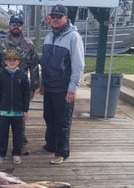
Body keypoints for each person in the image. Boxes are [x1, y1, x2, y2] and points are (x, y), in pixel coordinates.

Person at [40, 5, 85, 165]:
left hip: (64, 88)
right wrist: (42, 82)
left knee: (63, 121)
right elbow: (44, 63)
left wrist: (72, 89)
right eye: (53, 16)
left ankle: (62, 152)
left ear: (66, 18)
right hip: (49, 87)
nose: (55, 19)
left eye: (59, 16)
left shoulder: (74, 37)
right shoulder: (48, 37)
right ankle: (51, 145)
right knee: (49, 117)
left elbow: (78, 66)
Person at [0, 14, 40, 155]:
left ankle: (20, 144)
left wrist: (33, 86)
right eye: (13, 23)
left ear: (22, 26)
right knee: (2, 115)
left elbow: (34, 66)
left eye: (19, 24)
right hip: (5, 85)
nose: (16, 26)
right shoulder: (1, 44)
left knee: (21, 116)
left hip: (22, 86)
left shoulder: (29, 45)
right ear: (9, 25)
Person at [0, 50, 30, 164]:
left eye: (14, 60)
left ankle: (16, 153)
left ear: (18, 62)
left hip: (18, 112)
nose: (12, 62)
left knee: (18, 134)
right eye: (9, 60)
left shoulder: (23, 77)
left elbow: (26, 95)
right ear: (5, 61)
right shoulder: (1, 75)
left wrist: (25, 110)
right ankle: (1, 153)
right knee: (2, 134)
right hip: (4, 111)